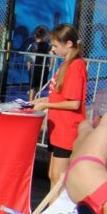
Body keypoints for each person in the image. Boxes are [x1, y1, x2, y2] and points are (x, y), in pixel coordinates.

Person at [31, 24, 88, 189]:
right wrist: (43, 100)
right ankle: (50, 212)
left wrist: (47, 104)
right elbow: (60, 95)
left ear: (69, 44)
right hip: (57, 129)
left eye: (55, 45)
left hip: (67, 130)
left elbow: (74, 102)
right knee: (52, 175)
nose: (53, 49)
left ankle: (56, 213)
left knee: (59, 179)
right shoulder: (65, 64)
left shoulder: (76, 66)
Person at [24, 25, 51, 99]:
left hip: (34, 68)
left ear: (35, 35)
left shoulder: (32, 45)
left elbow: (28, 57)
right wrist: (50, 65)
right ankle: (37, 99)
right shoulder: (47, 45)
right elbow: (51, 55)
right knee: (39, 86)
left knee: (32, 86)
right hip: (43, 68)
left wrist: (29, 66)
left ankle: (30, 101)